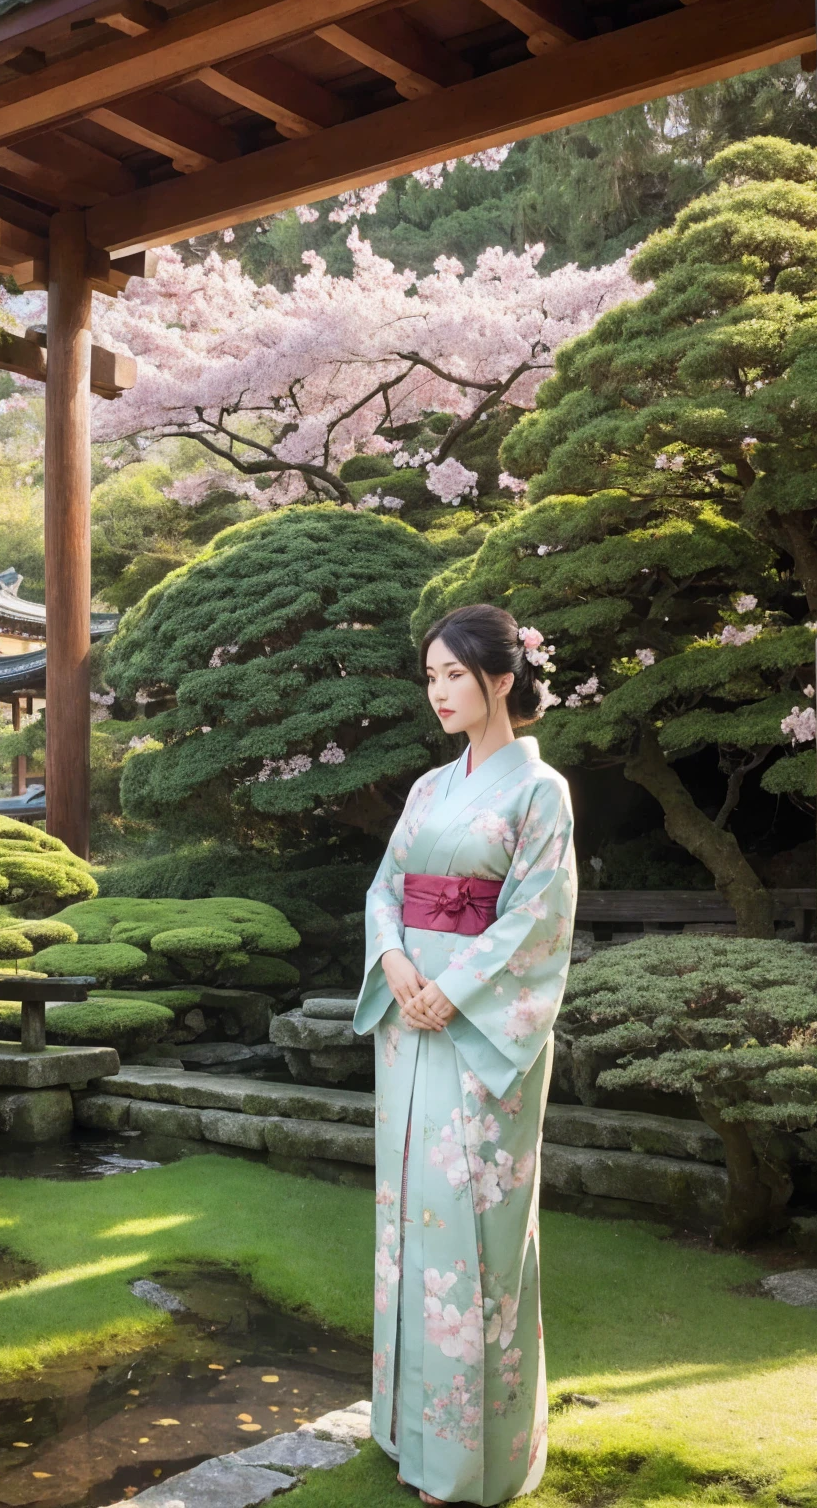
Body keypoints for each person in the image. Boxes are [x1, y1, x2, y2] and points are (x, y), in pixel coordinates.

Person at [353, 603, 577, 1506]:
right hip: (412, 1022)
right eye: (432, 677)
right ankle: (406, 1431)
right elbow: (386, 889)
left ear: (503, 679)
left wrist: (458, 987)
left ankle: (467, 1459)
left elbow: (536, 916)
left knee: (472, 1234)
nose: (441, 692)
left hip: (482, 1027)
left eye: (456, 675)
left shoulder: (540, 790)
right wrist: (401, 963)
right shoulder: (427, 789)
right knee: (409, 1224)